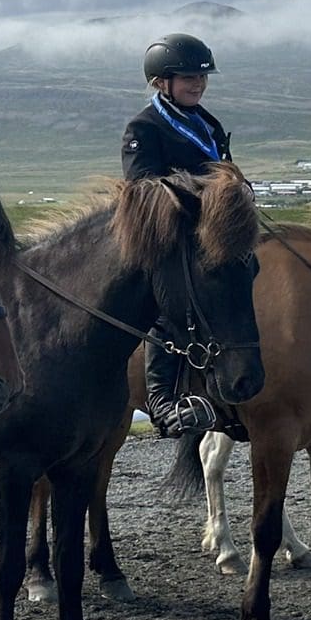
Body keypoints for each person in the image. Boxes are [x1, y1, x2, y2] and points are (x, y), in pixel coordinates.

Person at [121, 33, 236, 438]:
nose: (198, 84)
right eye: (188, 77)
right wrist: (204, 195)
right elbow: (143, 188)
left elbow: (225, 170)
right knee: (167, 304)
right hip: (169, 239)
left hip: (213, 235)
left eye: (202, 77)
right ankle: (161, 399)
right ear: (160, 82)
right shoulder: (143, 128)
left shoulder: (208, 123)